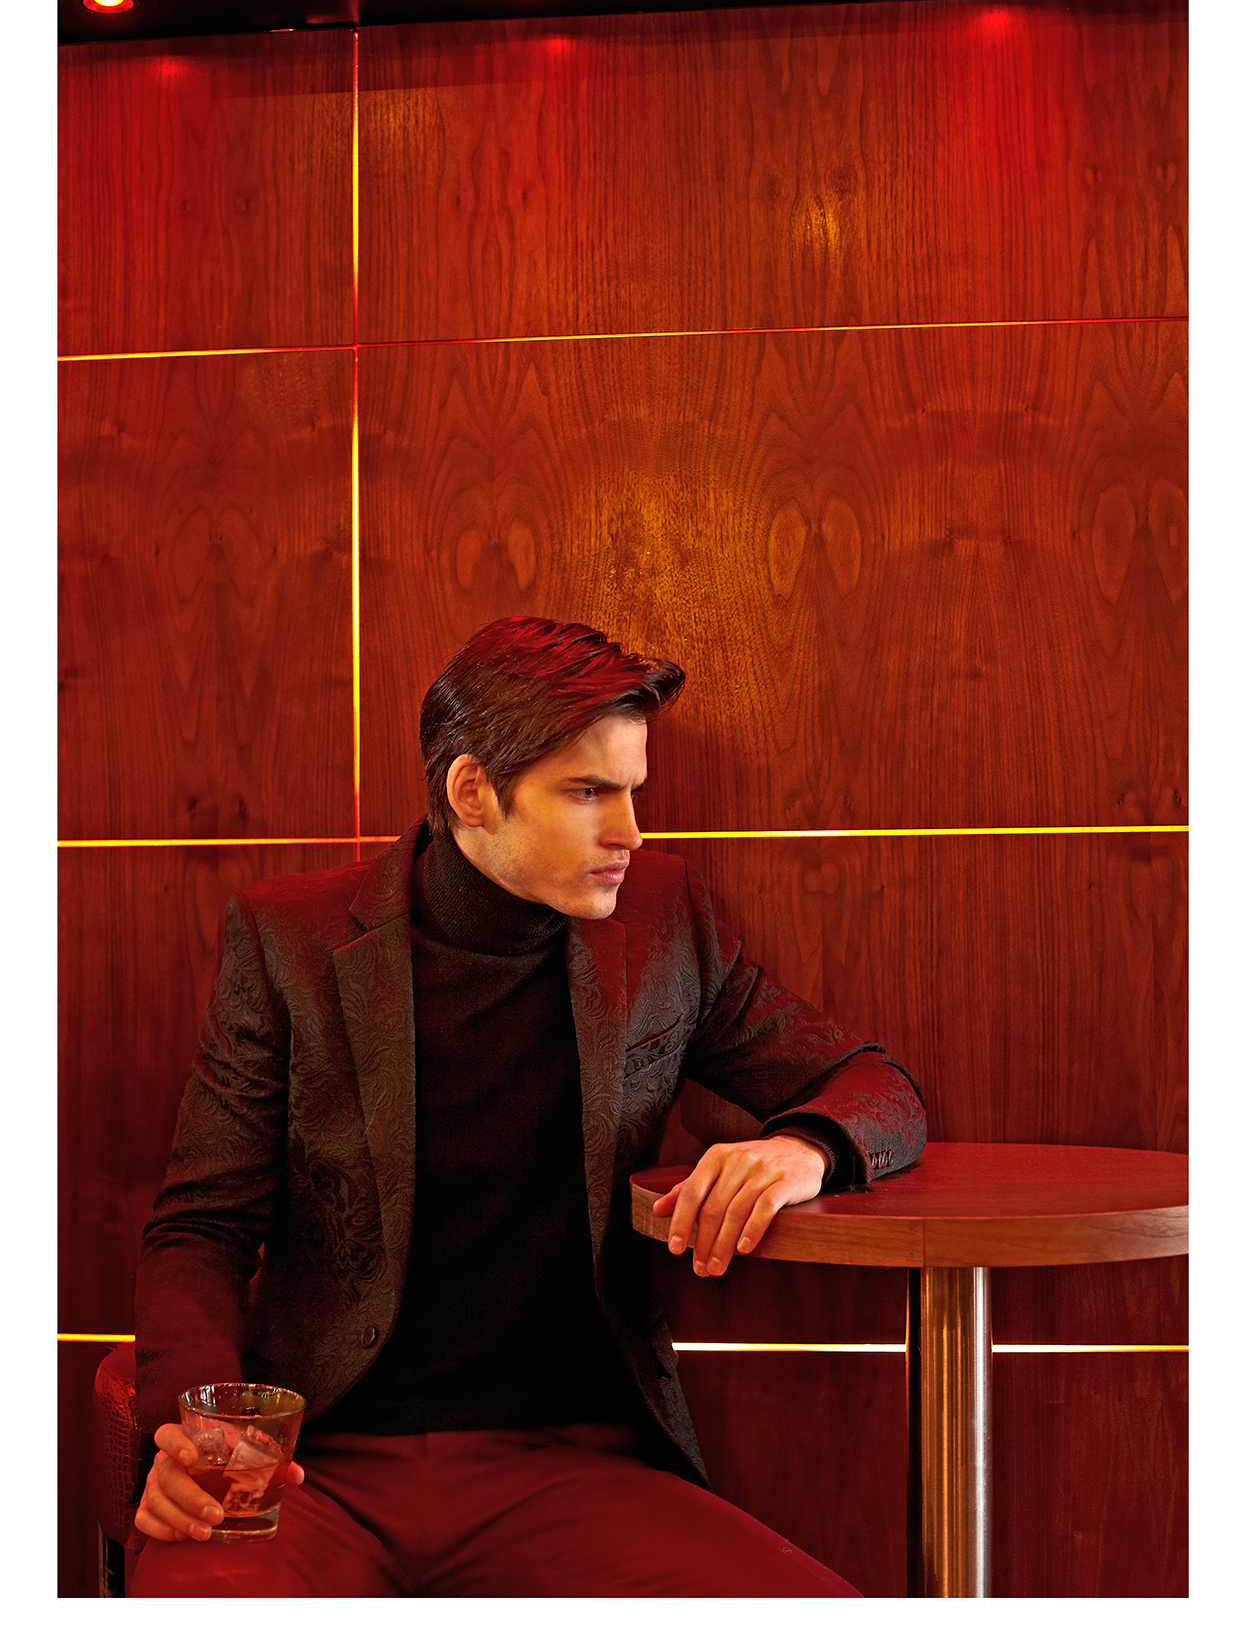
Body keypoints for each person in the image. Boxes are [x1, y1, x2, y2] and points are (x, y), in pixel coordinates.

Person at [130, 616, 927, 1597]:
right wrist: (202, 1435)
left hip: (570, 1465)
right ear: (472, 791)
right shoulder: (289, 938)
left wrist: (806, 1147)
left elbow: (875, 1085)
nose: (630, 832)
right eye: (589, 792)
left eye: (632, 791)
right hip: (319, 1467)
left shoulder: (664, 921)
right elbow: (201, 1226)